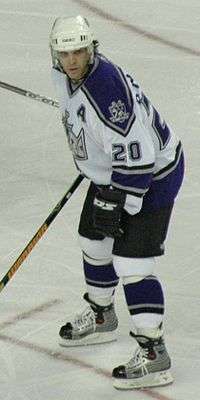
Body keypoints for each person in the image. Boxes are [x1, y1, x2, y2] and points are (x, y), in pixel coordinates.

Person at [49, 15, 184, 390]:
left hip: (150, 176)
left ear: (92, 48)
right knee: (94, 241)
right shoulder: (66, 75)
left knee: (131, 261)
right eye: (65, 53)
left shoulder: (106, 93)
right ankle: (102, 315)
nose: (72, 60)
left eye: (79, 51)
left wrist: (122, 202)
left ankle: (155, 354)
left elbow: (138, 156)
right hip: (113, 173)